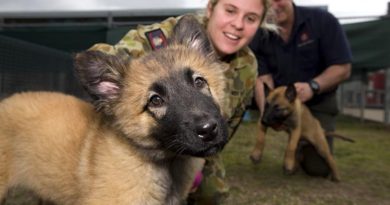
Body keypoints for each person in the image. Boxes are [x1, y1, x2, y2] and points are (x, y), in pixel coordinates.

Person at [89, 0, 272, 203]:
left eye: (251, 18)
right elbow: (104, 62)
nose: (238, 24)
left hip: (203, 138)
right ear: (210, 9)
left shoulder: (247, 63)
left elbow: (228, 125)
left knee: (213, 197)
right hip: (153, 145)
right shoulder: (161, 37)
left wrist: (199, 161)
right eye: (230, 10)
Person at [249, 0, 352, 177]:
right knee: (270, 116)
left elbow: (343, 68)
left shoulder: (323, 21)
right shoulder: (259, 32)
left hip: (318, 102)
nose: (274, 6)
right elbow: (262, 79)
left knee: (318, 169)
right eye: (268, 1)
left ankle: (299, 151)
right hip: (280, 103)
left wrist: (313, 86)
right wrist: (267, 112)